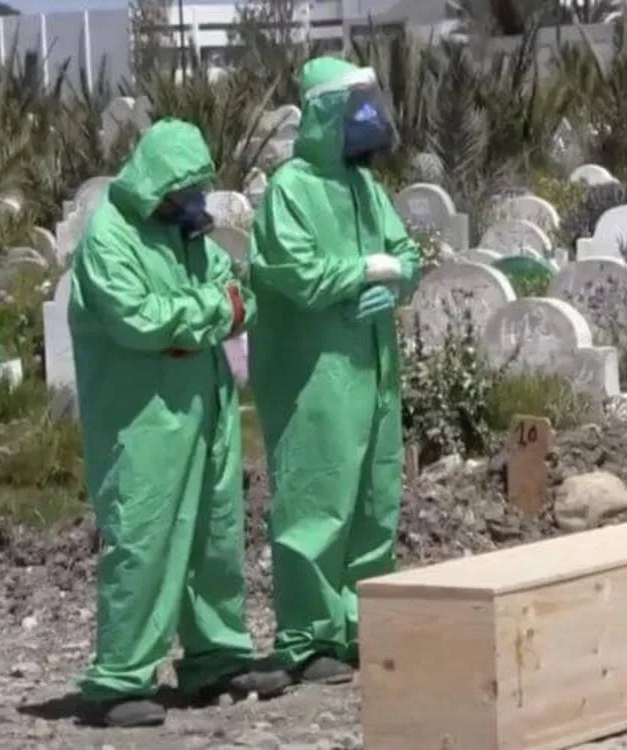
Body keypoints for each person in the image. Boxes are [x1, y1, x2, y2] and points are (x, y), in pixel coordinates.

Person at [68, 118, 291, 728]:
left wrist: (204, 315)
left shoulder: (188, 237)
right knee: (143, 538)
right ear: (154, 183)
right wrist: (210, 313)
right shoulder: (110, 238)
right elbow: (139, 320)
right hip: (142, 420)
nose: (194, 200)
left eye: (199, 187)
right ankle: (119, 678)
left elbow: (237, 297)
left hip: (206, 410)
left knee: (215, 537)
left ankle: (216, 658)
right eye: (184, 189)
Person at [248, 57, 422, 685]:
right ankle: (308, 635)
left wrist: (397, 278)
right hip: (313, 374)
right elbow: (297, 273)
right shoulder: (289, 190)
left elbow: (405, 251)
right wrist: (368, 272)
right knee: (316, 499)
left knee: (374, 499)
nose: (367, 123)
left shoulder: (364, 186)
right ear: (325, 115)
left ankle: (361, 624)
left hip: (374, 369)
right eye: (356, 110)